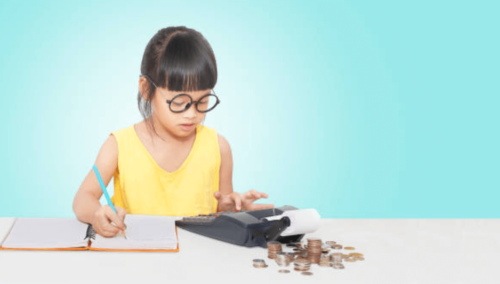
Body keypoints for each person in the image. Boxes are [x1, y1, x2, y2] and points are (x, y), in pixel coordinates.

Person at [73, 26, 274, 238]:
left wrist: (231, 209)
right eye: (180, 102)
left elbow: (219, 215)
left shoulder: (218, 147)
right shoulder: (119, 145)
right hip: (137, 258)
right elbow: (82, 199)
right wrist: (97, 213)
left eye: (202, 101)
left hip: (199, 260)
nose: (192, 114)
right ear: (146, 89)